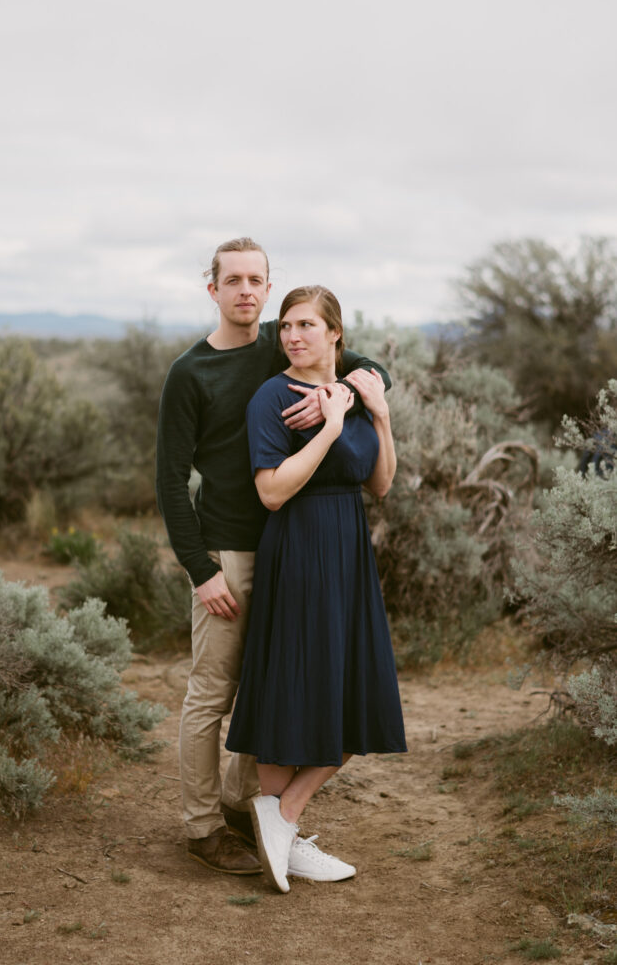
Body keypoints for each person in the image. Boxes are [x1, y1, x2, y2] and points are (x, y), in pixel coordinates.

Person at [156, 239, 391, 877]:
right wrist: (200, 571)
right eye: (232, 281)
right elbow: (170, 481)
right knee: (213, 692)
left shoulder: (279, 344)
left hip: (290, 551)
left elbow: (369, 367)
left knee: (267, 687)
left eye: (257, 280)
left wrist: (338, 394)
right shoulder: (191, 372)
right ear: (213, 290)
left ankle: (249, 809)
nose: (246, 292)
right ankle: (204, 828)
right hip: (228, 550)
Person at [226, 285, 407, 893]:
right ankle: (287, 831)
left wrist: (374, 413)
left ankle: (282, 818)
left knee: (355, 688)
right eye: (286, 326)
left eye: (307, 324)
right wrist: (329, 429)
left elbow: (380, 484)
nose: (294, 336)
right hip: (298, 549)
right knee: (290, 685)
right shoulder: (271, 397)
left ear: (335, 333)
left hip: (348, 548)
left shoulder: (356, 389)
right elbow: (273, 491)